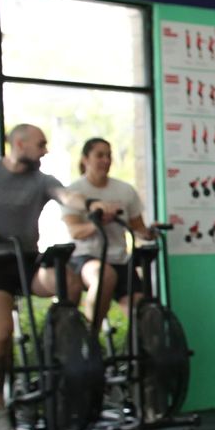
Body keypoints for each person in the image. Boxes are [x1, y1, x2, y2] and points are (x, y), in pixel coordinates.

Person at [0, 124, 115, 430]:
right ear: (19, 144)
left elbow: (67, 195)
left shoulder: (41, 180)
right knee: (2, 332)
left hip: (28, 261)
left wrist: (91, 205)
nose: (45, 150)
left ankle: (61, 344)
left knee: (70, 282)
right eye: (41, 144)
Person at [64, 137, 153, 332]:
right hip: (86, 258)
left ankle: (136, 354)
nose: (106, 160)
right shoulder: (75, 192)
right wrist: (98, 223)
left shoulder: (125, 190)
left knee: (143, 311)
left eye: (109, 155)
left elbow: (139, 227)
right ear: (85, 159)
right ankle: (90, 337)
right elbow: (75, 231)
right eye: (100, 155)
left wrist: (150, 232)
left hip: (120, 258)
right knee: (105, 276)